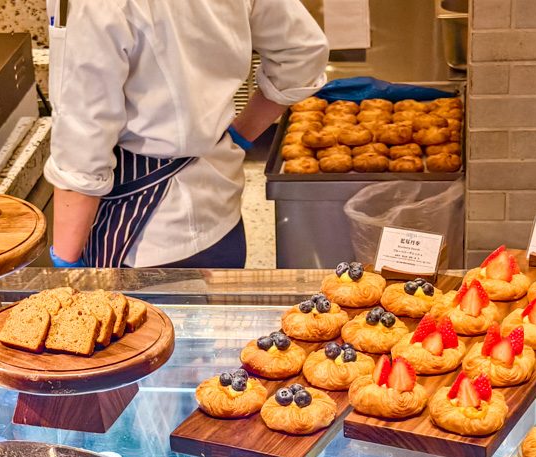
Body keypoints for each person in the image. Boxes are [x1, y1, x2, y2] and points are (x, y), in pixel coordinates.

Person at [44, 0, 328, 270]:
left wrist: (66, 265)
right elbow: (304, 53)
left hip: (142, 241)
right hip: (221, 218)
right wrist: (238, 135)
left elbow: (82, 150)